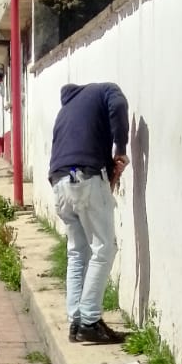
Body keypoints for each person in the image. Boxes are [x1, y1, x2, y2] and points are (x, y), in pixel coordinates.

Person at [47, 82, 130, 343]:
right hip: (85, 178)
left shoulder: (66, 110)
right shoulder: (107, 90)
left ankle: (76, 320)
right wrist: (120, 149)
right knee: (104, 248)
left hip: (61, 183)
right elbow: (118, 105)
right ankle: (90, 320)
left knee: (77, 252)